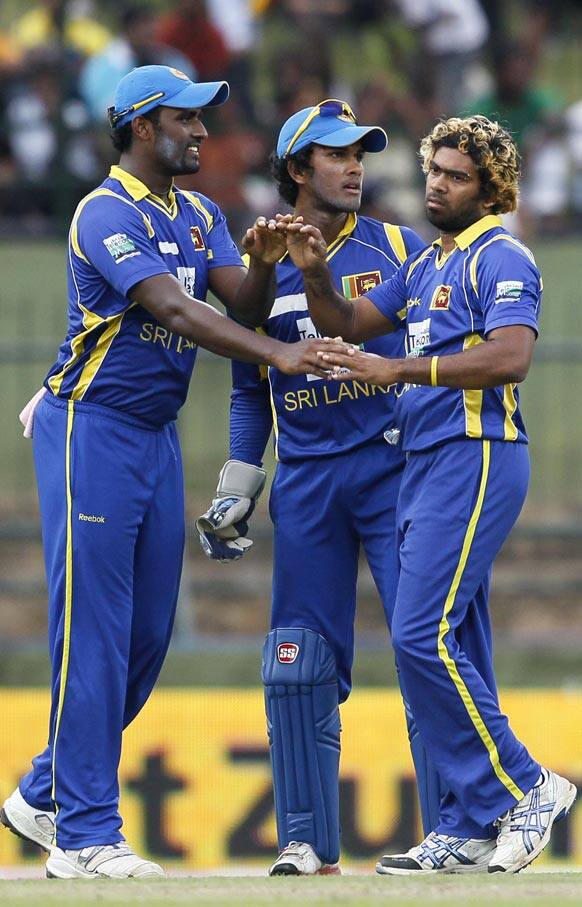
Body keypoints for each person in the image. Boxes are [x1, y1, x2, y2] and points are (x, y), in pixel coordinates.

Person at [0, 65, 345, 881]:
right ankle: (84, 835)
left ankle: (46, 790)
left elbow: (240, 303)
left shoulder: (199, 213)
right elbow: (177, 311)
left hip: (150, 439)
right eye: (187, 120)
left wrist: (262, 265)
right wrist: (282, 355)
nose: (202, 133)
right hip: (91, 429)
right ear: (144, 126)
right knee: (92, 636)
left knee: (146, 638)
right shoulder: (104, 211)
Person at [281, 114, 577, 875]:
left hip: (477, 455)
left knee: (421, 634)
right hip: (425, 460)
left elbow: (510, 358)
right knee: (432, 640)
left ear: (492, 188)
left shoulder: (501, 256)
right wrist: (314, 269)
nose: (437, 184)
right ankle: (472, 820)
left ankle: (527, 785)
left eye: (456, 175)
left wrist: (401, 372)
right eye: (434, 170)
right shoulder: (426, 264)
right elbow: (346, 321)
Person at [196, 98, 446, 875]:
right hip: (305, 483)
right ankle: (306, 842)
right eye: (336, 156)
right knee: (297, 660)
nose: (354, 168)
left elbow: (432, 355)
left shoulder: (402, 246)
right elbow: (248, 386)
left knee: (428, 647)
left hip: (394, 470)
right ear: (298, 169)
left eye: (360, 155)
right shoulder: (257, 266)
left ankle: (456, 831)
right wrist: (241, 479)